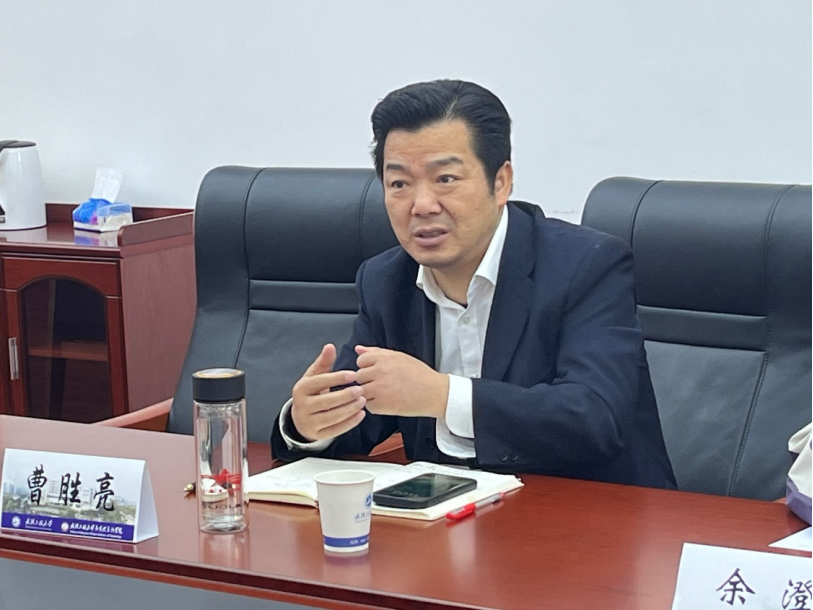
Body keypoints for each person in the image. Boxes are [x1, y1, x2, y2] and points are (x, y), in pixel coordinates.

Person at [271, 79, 676, 489]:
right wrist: (307, 424)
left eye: (445, 179)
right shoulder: (386, 281)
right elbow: (358, 419)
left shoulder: (586, 265)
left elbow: (595, 419)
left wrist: (442, 396)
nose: (421, 205)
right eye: (399, 184)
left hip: (591, 513)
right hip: (449, 514)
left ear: (500, 183)